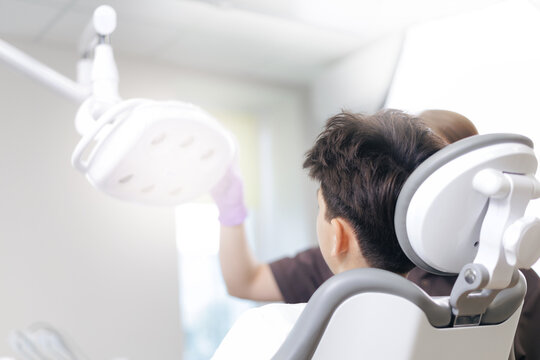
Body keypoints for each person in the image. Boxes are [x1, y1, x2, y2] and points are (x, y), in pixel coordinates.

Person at [211, 109, 540, 359]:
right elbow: (246, 279)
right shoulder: (503, 298)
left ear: (337, 234)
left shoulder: (268, 330)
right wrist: (231, 212)